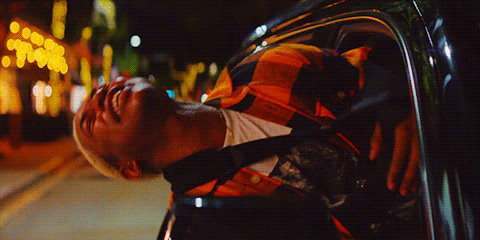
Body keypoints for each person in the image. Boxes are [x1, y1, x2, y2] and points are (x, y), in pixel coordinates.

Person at [73, 43, 419, 197]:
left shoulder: (260, 69)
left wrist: (399, 103)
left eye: (98, 90)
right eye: (89, 121)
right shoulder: (205, 216)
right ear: (130, 168)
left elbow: (371, 62)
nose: (98, 97)